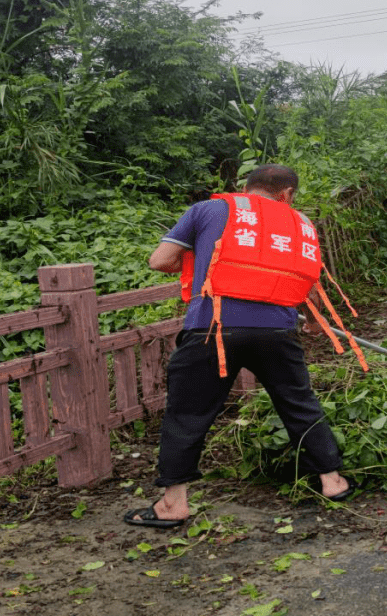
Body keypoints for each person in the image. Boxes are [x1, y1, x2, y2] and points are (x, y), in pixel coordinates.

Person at [124, 164, 352, 528]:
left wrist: (198, 258)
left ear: (244, 187)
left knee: (188, 414)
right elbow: (308, 281)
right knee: (298, 403)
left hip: (212, 328)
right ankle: (333, 481)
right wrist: (311, 323)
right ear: (287, 194)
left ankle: (173, 504)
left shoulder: (208, 209)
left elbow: (160, 261)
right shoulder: (300, 223)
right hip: (277, 331)